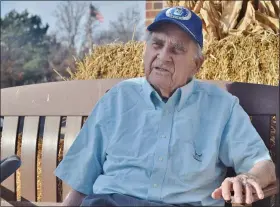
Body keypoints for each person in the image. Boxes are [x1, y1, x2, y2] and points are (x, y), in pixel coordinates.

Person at [54, 6, 276, 206]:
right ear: (146, 50)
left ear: (197, 64)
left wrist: (250, 177)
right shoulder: (117, 98)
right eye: (157, 44)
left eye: (177, 49)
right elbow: (82, 184)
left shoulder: (222, 107)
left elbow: (263, 165)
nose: (163, 56)